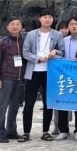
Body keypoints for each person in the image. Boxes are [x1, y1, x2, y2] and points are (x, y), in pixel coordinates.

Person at [19, 10, 64, 142]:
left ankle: (45, 132)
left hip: (50, 73)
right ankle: (26, 132)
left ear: (53, 20)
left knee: (48, 104)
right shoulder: (31, 34)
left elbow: (63, 52)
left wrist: (56, 52)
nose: (47, 19)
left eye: (50, 17)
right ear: (40, 19)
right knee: (29, 104)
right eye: (45, 17)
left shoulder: (57, 35)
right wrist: (38, 59)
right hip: (32, 72)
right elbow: (25, 52)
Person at [0, 18, 26, 143]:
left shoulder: (24, 42)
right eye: (12, 24)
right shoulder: (2, 43)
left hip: (19, 79)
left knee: (14, 107)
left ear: (21, 27)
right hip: (6, 78)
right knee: (2, 106)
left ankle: (11, 131)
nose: (15, 26)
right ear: (7, 27)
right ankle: (0, 133)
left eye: (18, 24)